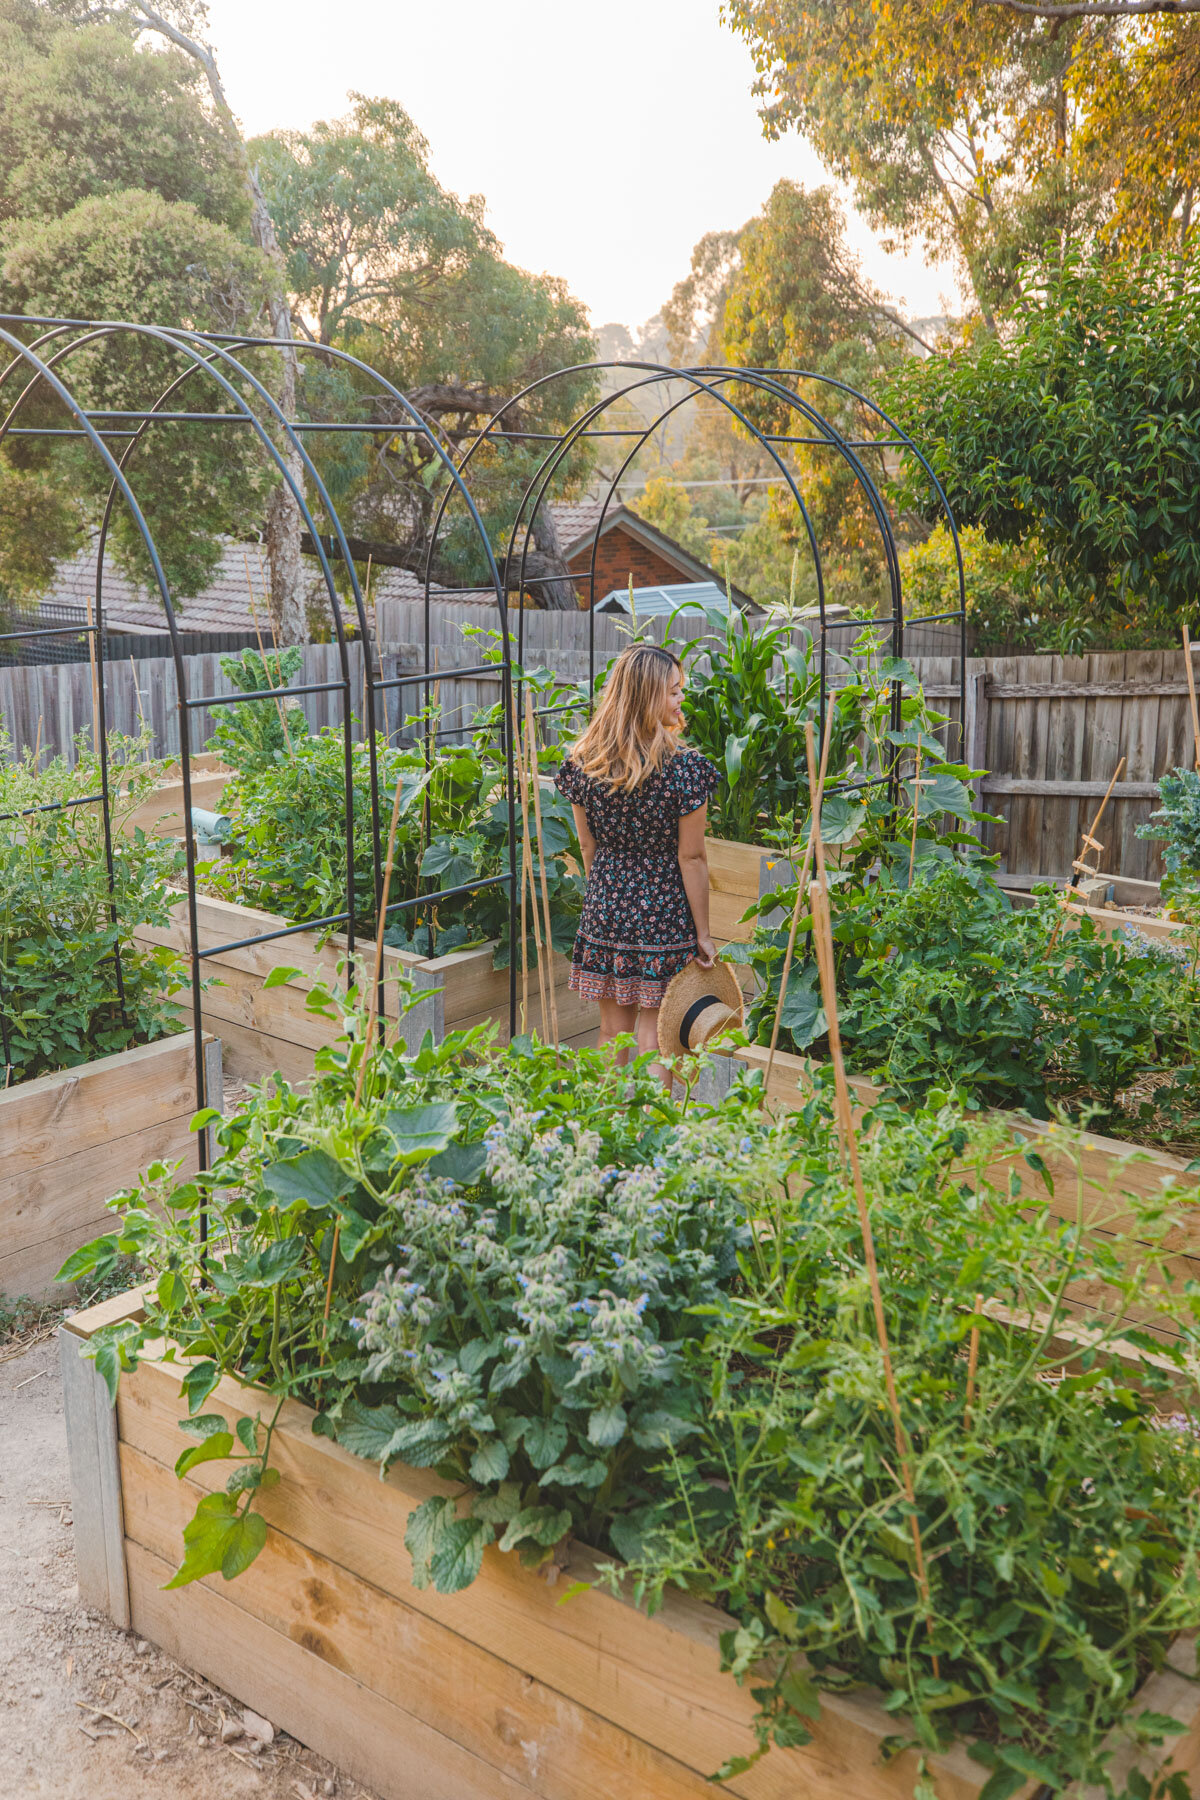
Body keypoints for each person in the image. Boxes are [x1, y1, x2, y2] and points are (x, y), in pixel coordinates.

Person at [554, 642, 720, 1085]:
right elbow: (692, 857)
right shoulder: (685, 770)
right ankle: (652, 1132)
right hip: (663, 910)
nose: (680, 699)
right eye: (673, 691)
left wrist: (609, 894)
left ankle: (609, 1128)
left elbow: (587, 848)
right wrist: (703, 934)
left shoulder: (586, 763)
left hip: (606, 904)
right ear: (647, 696)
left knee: (612, 1030)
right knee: (655, 1031)